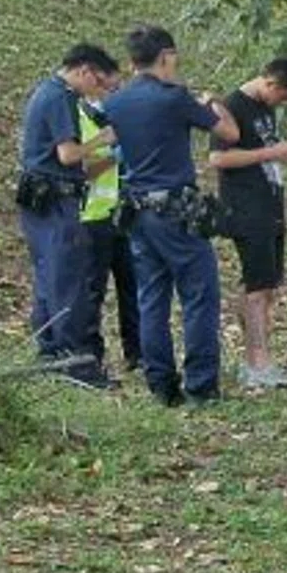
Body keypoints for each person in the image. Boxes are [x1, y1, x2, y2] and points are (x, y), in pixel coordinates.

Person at [104, 25, 239, 406]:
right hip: (177, 210)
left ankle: (161, 384)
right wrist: (213, 102)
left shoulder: (116, 103)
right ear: (166, 56)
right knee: (199, 294)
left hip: (136, 209)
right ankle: (201, 385)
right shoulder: (174, 98)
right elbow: (228, 132)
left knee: (151, 298)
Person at [206, 58, 287, 391]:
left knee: (267, 287)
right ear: (272, 84)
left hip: (270, 205)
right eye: (285, 96)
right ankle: (256, 363)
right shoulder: (231, 106)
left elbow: (264, 149)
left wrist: (286, 150)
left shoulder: (264, 109)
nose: (284, 103)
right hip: (246, 208)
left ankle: (259, 357)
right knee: (256, 288)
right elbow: (218, 159)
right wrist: (270, 154)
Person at [17, 43, 121, 390]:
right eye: (101, 84)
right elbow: (67, 154)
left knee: (48, 277)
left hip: (37, 202)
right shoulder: (61, 97)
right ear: (85, 71)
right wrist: (104, 139)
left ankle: (48, 351)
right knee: (69, 280)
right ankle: (74, 360)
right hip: (56, 199)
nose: (100, 92)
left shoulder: (43, 91)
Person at [78, 73, 141, 376]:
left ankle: (138, 354)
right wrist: (114, 155)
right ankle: (90, 357)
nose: (113, 95)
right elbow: (79, 170)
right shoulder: (79, 118)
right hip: (93, 217)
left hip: (126, 214)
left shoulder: (120, 120)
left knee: (134, 286)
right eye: (109, 88)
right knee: (93, 290)